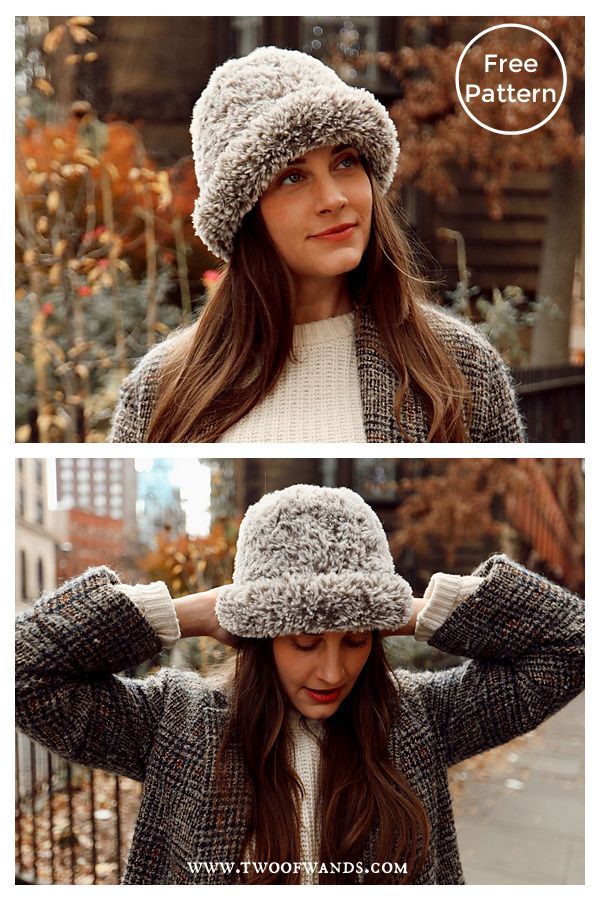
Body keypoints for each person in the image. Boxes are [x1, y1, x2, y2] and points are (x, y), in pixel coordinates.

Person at [16, 484, 583, 884]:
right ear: (263, 637)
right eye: (306, 643)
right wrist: (195, 611)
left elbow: (572, 642)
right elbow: (24, 671)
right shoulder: (178, 722)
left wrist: (411, 607)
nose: (333, 673)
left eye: (357, 640)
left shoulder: (420, 717)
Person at [108, 47, 526, 444]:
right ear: (245, 212)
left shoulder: (461, 366)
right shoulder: (161, 388)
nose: (333, 199)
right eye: (293, 176)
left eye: (345, 162)